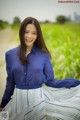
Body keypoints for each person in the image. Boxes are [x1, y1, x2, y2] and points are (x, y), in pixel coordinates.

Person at [0, 17, 80, 120]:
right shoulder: (10, 55)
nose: (29, 36)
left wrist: (75, 83)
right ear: (21, 32)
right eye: (26, 32)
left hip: (37, 101)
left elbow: (51, 81)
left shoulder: (44, 55)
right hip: (17, 101)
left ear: (38, 36)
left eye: (34, 33)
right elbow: (10, 82)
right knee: (3, 117)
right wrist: (3, 104)